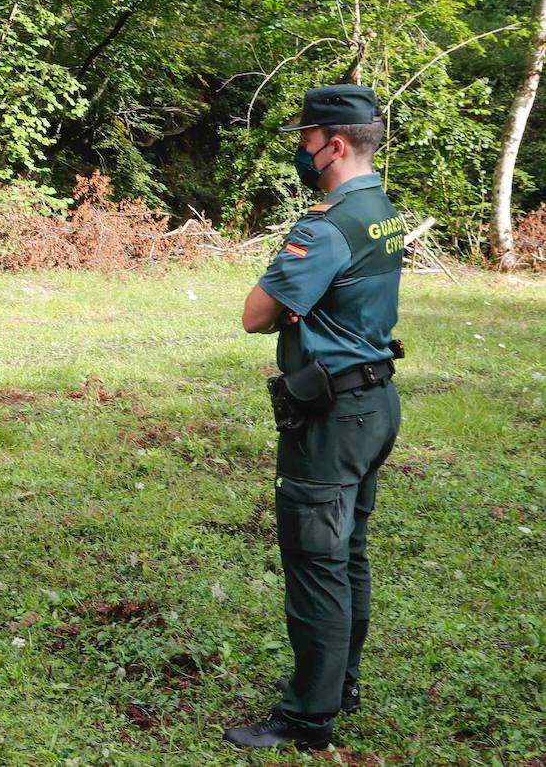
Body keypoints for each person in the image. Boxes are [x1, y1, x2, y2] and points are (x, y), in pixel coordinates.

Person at [225, 84, 405, 750]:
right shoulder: (379, 209)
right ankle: (341, 684)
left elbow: (254, 313)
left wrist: (292, 301)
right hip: (375, 401)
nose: (300, 149)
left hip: (334, 418)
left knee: (316, 560)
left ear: (333, 143)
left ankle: (307, 715)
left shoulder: (325, 226)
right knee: (348, 552)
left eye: (306, 137)